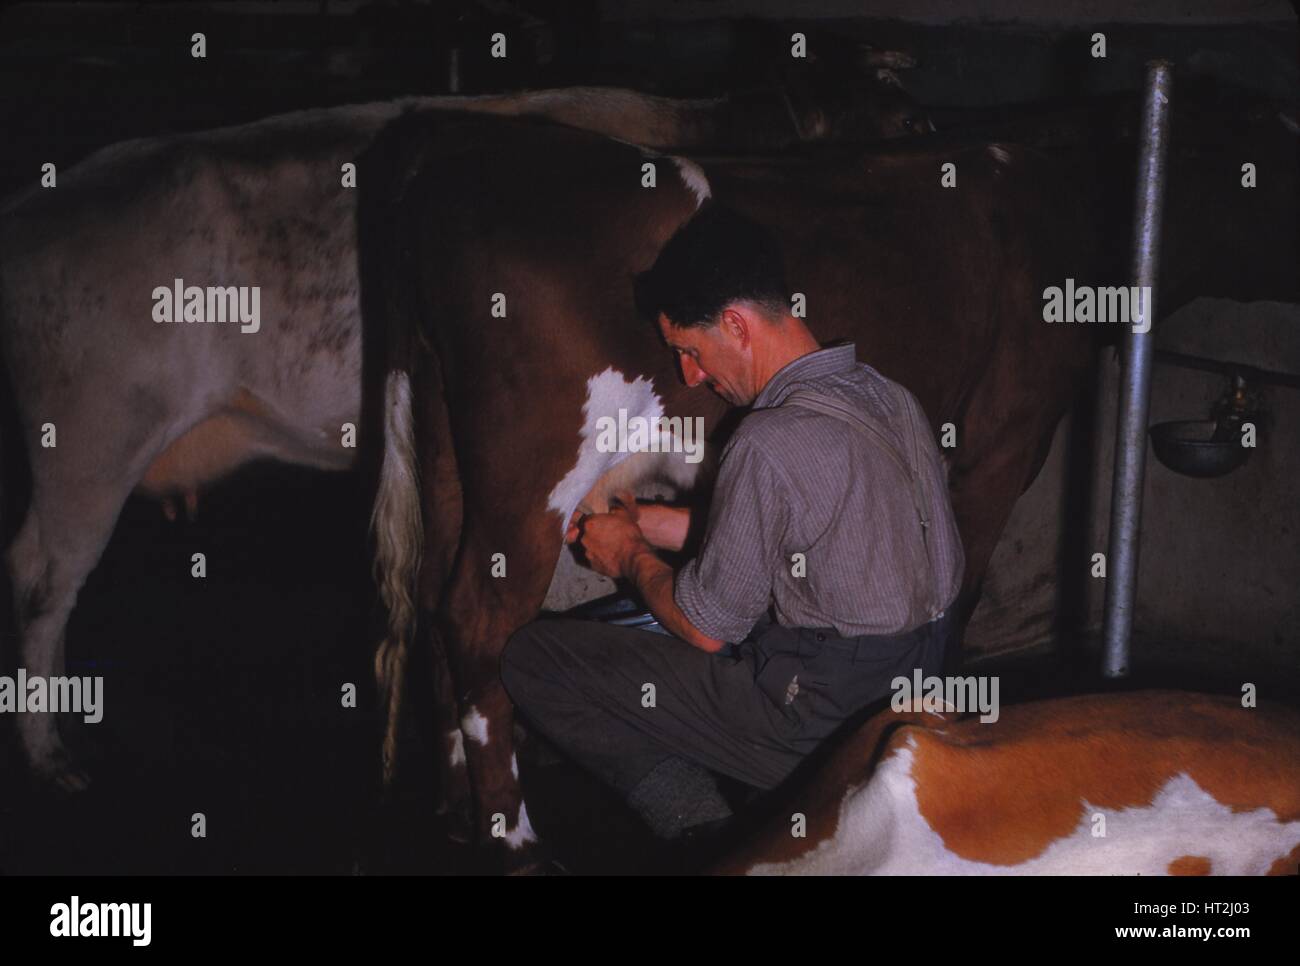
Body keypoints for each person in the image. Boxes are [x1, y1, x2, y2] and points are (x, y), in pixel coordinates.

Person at [500, 204, 964, 844]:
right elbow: (815, 529)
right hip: (918, 683)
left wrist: (631, 553)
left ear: (737, 326)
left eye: (690, 351)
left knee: (535, 658)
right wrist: (656, 522)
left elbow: (705, 629)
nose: (691, 375)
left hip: (820, 715)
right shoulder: (888, 396)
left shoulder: (767, 440)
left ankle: (710, 840)